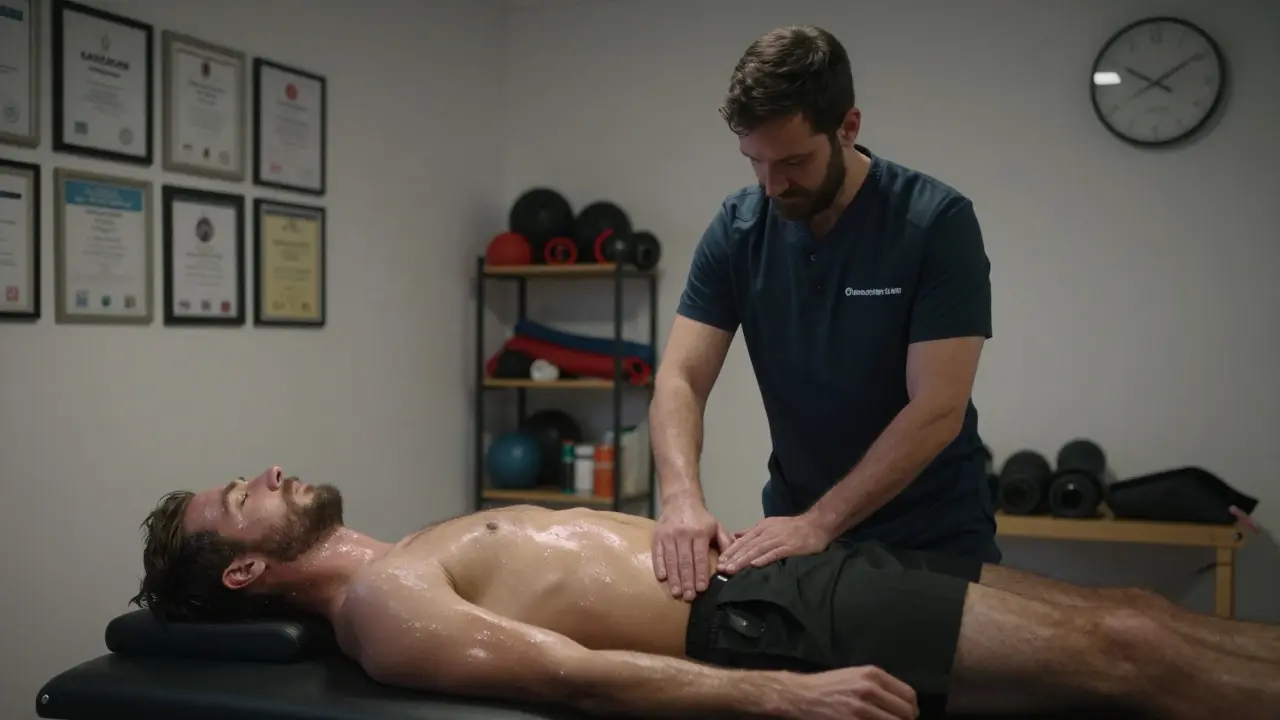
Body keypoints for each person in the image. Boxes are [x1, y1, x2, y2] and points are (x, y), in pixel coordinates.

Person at [131, 467, 1279, 720]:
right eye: (238, 499)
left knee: (1147, 621)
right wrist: (788, 698)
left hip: (780, 570)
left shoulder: (413, 542)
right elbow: (566, 675)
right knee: (1136, 659)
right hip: (764, 623)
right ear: (245, 569)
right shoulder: (382, 608)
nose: (263, 475)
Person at [648, 23, 999, 603]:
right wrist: (681, 498)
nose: (770, 185)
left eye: (792, 161)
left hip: (931, 534)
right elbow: (680, 377)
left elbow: (938, 408)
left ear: (848, 126)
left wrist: (822, 522)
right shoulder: (738, 230)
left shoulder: (935, 223)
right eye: (754, 161)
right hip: (794, 529)